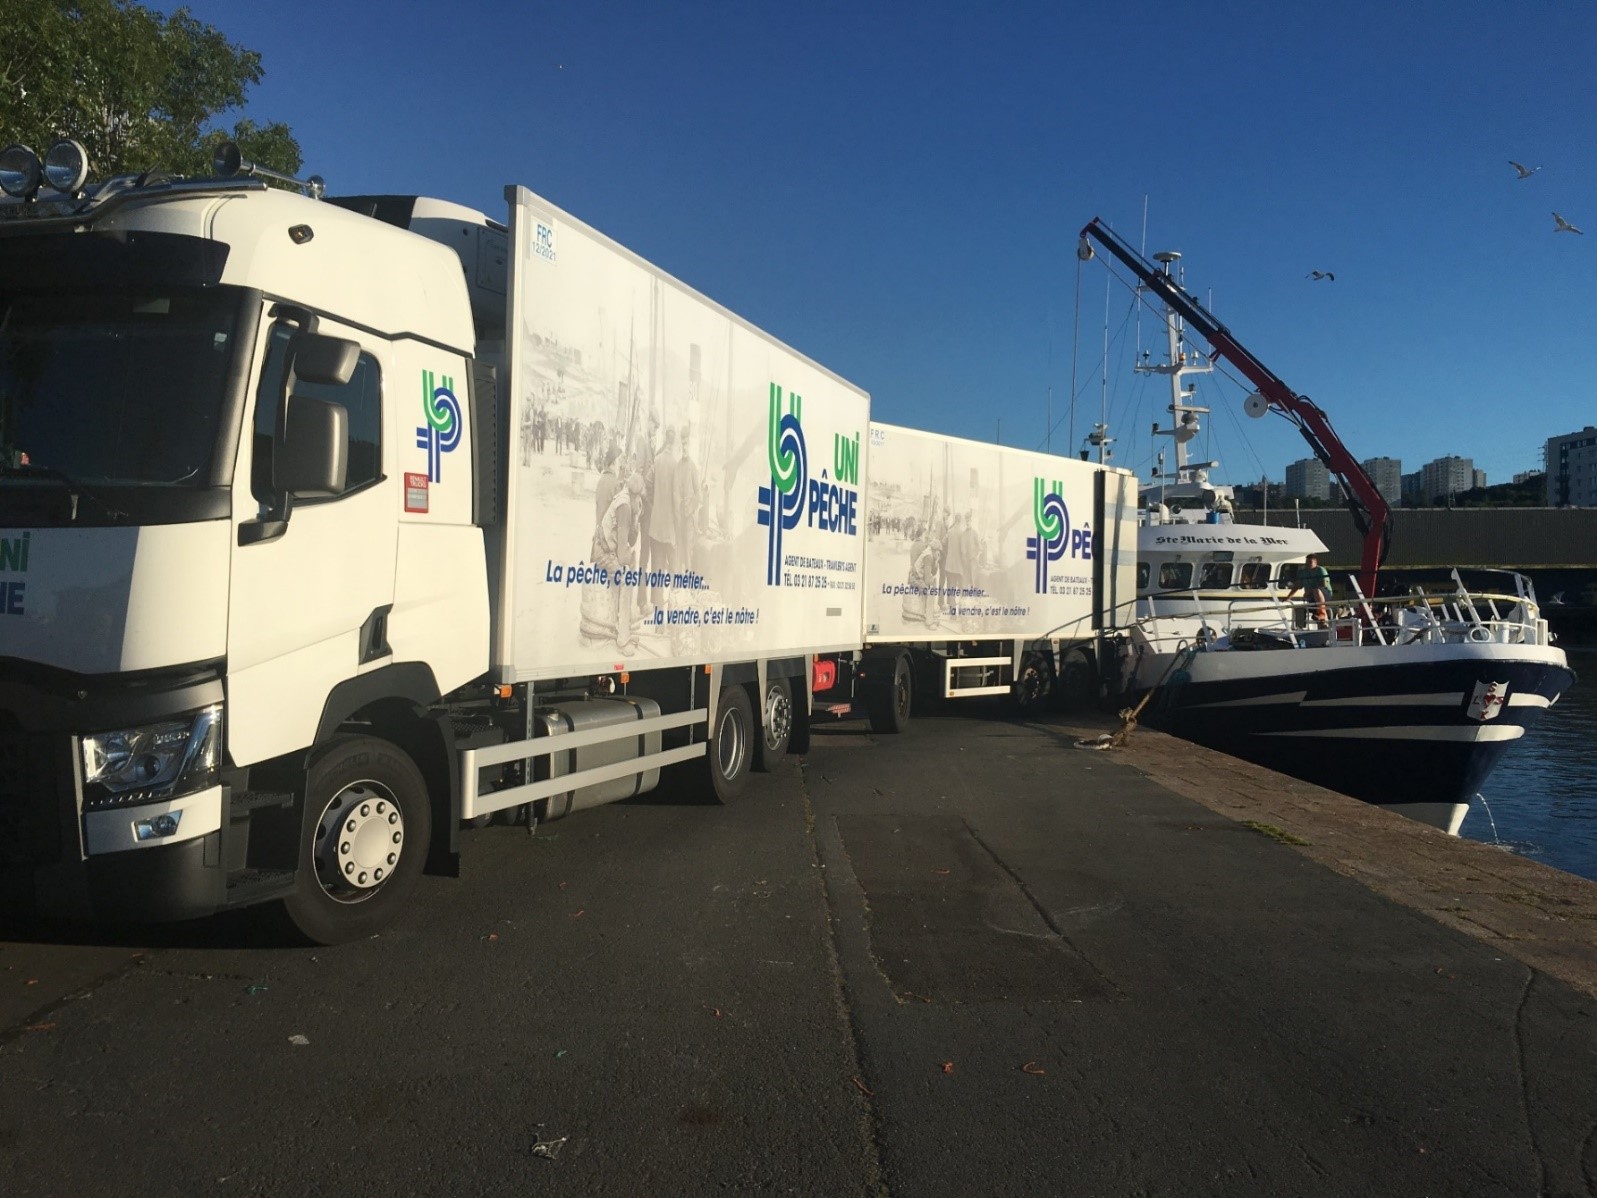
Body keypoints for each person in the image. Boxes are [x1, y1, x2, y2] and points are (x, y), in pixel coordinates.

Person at [1286, 553, 1331, 626]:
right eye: (1307, 562)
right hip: (1311, 596)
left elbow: (1323, 584)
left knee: (1316, 590)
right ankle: (1301, 625)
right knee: (1301, 606)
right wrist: (1288, 597)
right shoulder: (1303, 572)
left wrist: (1309, 591)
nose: (1307, 564)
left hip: (1324, 594)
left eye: (1310, 562)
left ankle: (1322, 614)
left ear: (1315, 562)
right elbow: (1297, 585)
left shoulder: (1320, 570)